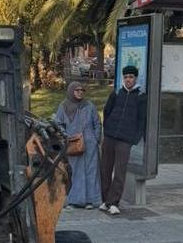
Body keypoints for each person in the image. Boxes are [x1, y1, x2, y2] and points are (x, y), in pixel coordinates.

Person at [99, 66, 146, 215]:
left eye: (131, 77)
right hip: (110, 136)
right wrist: (107, 130)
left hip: (125, 139)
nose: (128, 79)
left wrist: (134, 139)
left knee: (120, 172)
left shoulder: (140, 97)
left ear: (135, 78)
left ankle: (114, 202)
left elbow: (141, 120)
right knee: (105, 169)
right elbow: (107, 111)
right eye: (126, 77)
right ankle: (105, 200)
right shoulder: (116, 93)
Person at [55, 81, 102, 208]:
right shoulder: (64, 106)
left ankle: (90, 201)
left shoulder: (89, 105)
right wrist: (66, 137)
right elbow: (57, 124)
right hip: (73, 144)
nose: (80, 92)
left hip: (90, 145)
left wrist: (95, 138)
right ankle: (74, 201)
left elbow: (97, 123)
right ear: (71, 91)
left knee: (91, 172)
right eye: (77, 90)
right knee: (74, 172)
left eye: (82, 90)